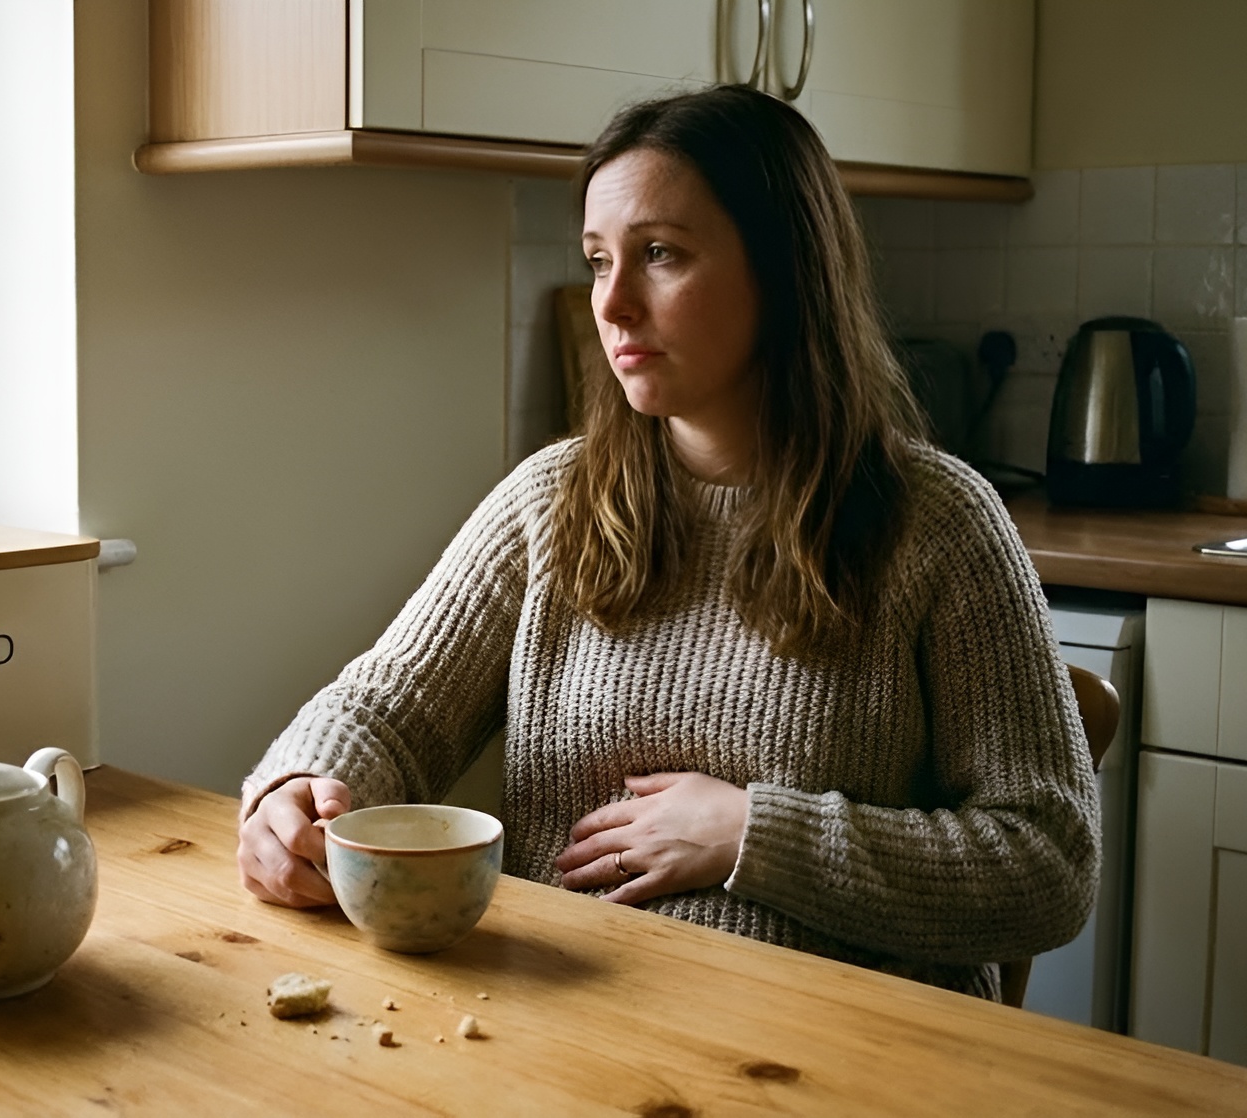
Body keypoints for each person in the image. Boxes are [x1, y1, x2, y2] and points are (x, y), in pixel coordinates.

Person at [235, 85, 1097, 1000]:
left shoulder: (942, 524)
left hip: (845, 1045)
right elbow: (386, 710)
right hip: (564, 1028)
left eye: (659, 255)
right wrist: (294, 793)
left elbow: (1048, 865)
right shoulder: (552, 502)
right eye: (599, 260)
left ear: (785, 269)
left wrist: (754, 835)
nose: (612, 303)